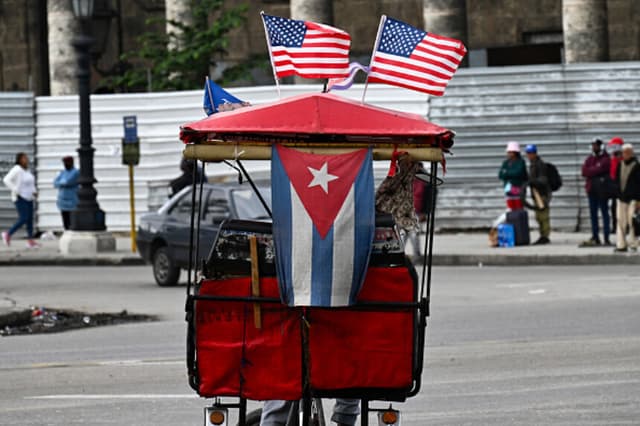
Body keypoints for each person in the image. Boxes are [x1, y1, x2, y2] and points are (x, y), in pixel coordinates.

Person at [2, 152, 39, 248]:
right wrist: (15, 189)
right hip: (20, 197)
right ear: (19, 160)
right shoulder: (17, 169)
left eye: (26, 158)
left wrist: (34, 191)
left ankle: (30, 241)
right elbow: (6, 179)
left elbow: (30, 183)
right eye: (24, 158)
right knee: (24, 218)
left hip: (29, 197)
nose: (26, 159)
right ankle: (8, 234)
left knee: (30, 220)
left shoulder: (27, 170)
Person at [580, 138, 612, 246]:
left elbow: (601, 168)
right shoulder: (590, 158)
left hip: (603, 191)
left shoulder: (606, 159)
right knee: (593, 215)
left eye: (596, 145)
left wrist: (592, 170)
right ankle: (595, 236)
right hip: (591, 191)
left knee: (604, 214)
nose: (594, 147)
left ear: (601, 146)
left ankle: (606, 237)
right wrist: (594, 169)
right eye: (593, 145)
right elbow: (584, 171)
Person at [613, 143, 640, 252]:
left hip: (633, 198)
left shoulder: (637, 166)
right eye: (624, 152)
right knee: (620, 221)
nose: (625, 154)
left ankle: (633, 243)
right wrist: (617, 193)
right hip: (621, 198)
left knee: (631, 221)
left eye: (628, 152)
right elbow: (617, 180)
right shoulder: (620, 165)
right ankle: (621, 244)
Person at [525, 144, 551, 245]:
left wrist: (533, 182)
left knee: (543, 215)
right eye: (528, 153)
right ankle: (542, 234)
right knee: (538, 216)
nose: (529, 155)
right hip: (536, 194)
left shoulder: (540, 164)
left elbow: (543, 180)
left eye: (531, 153)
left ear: (535, 153)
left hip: (542, 194)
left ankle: (545, 236)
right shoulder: (533, 164)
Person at [498, 141, 528, 210]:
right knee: (511, 210)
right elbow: (500, 175)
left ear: (515, 152)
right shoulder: (506, 163)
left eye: (511, 152)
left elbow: (518, 173)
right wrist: (509, 173)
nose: (509, 154)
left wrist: (507, 173)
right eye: (508, 152)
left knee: (519, 209)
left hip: (518, 189)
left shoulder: (521, 162)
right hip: (508, 189)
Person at [53, 156, 79, 230]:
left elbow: (68, 181)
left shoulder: (76, 172)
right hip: (62, 201)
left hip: (72, 201)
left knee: (72, 221)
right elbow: (55, 183)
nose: (65, 164)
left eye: (67, 162)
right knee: (65, 221)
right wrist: (62, 182)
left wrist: (61, 182)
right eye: (64, 162)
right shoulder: (62, 172)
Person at [607, 137, 624, 232]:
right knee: (614, 208)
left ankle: (625, 226)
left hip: (623, 187)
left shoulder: (624, 159)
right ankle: (615, 226)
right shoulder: (612, 159)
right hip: (614, 187)